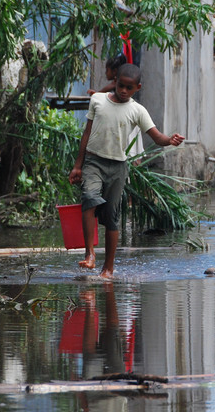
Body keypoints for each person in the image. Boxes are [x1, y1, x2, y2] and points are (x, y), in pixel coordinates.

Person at [69, 63, 185, 279]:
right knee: (88, 198)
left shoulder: (137, 111)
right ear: (115, 83)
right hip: (94, 161)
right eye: (120, 86)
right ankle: (90, 254)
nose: (123, 91)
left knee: (112, 217)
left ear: (137, 88)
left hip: (118, 167)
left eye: (129, 88)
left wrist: (170, 140)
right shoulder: (98, 100)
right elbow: (87, 133)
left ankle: (108, 268)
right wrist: (78, 165)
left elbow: (156, 136)